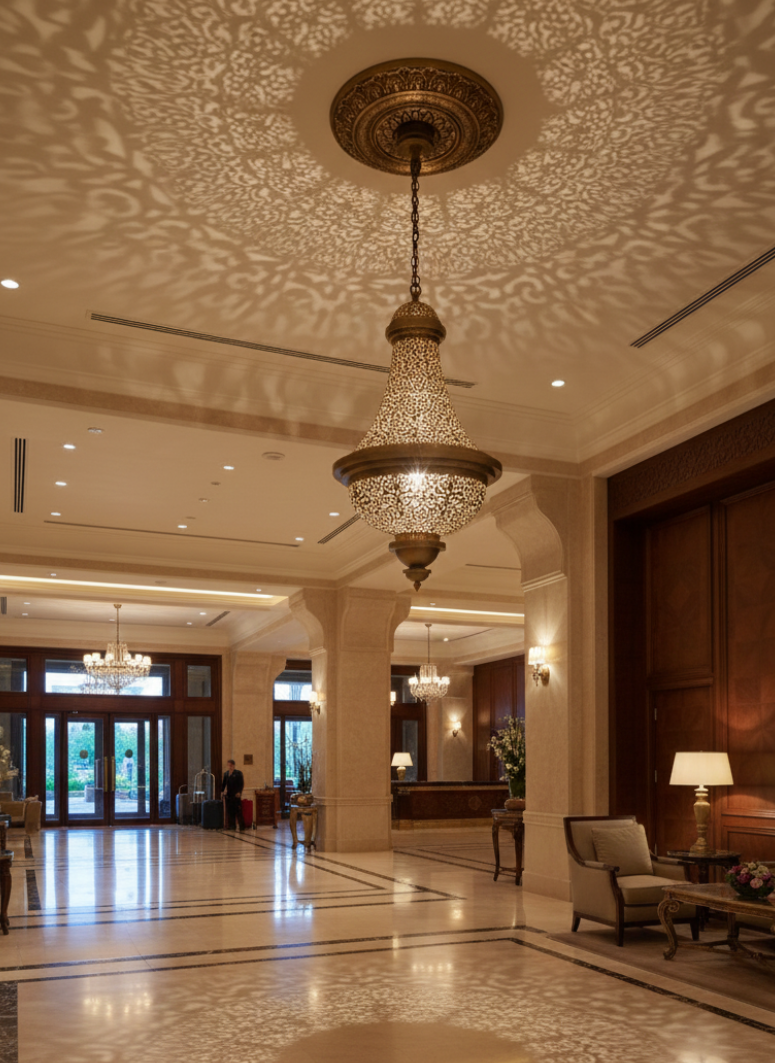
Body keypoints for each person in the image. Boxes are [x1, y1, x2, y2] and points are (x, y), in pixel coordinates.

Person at [221, 759, 245, 831]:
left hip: (236, 794)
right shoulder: (226, 774)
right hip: (229, 794)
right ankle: (232, 826)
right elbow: (224, 784)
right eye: (228, 765)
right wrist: (222, 791)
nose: (229, 767)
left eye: (231, 765)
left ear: (233, 765)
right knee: (230, 811)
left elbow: (241, 784)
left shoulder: (238, 773)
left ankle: (242, 826)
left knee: (238, 810)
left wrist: (239, 792)